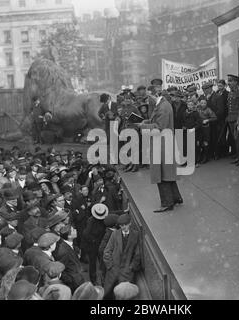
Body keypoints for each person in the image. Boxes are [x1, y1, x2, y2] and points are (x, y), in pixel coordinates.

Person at [138, 79, 183, 213]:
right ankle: (176, 197)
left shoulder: (162, 107)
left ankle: (167, 203)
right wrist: (146, 121)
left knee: (161, 174)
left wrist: (143, 126)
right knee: (168, 173)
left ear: (154, 95)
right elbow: (156, 121)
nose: (147, 101)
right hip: (165, 144)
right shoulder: (162, 105)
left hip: (161, 145)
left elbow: (159, 127)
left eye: (148, 97)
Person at [103, 214, 141, 299]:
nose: (123, 227)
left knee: (124, 296)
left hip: (127, 274)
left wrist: (131, 268)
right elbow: (107, 251)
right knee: (109, 295)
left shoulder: (135, 235)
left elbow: (137, 254)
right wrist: (110, 266)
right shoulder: (115, 234)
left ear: (129, 223)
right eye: (121, 225)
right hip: (113, 272)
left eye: (125, 225)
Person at [226, 74, 239, 165]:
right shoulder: (230, 93)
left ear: (236, 82)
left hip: (237, 119)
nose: (228, 83)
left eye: (230, 81)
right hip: (230, 118)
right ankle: (238, 156)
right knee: (234, 139)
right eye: (228, 81)